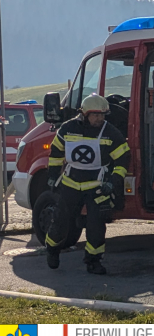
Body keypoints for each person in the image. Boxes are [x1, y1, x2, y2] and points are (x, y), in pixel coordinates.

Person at [45, 93, 129, 275]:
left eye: (102, 115)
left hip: (97, 186)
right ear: (84, 114)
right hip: (71, 184)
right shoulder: (68, 129)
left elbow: (123, 159)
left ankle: (93, 261)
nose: (99, 118)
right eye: (95, 115)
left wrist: (113, 182)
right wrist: (52, 175)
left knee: (96, 226)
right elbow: (56, 152)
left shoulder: (111, 132)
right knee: (60, 221)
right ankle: (52, 249)